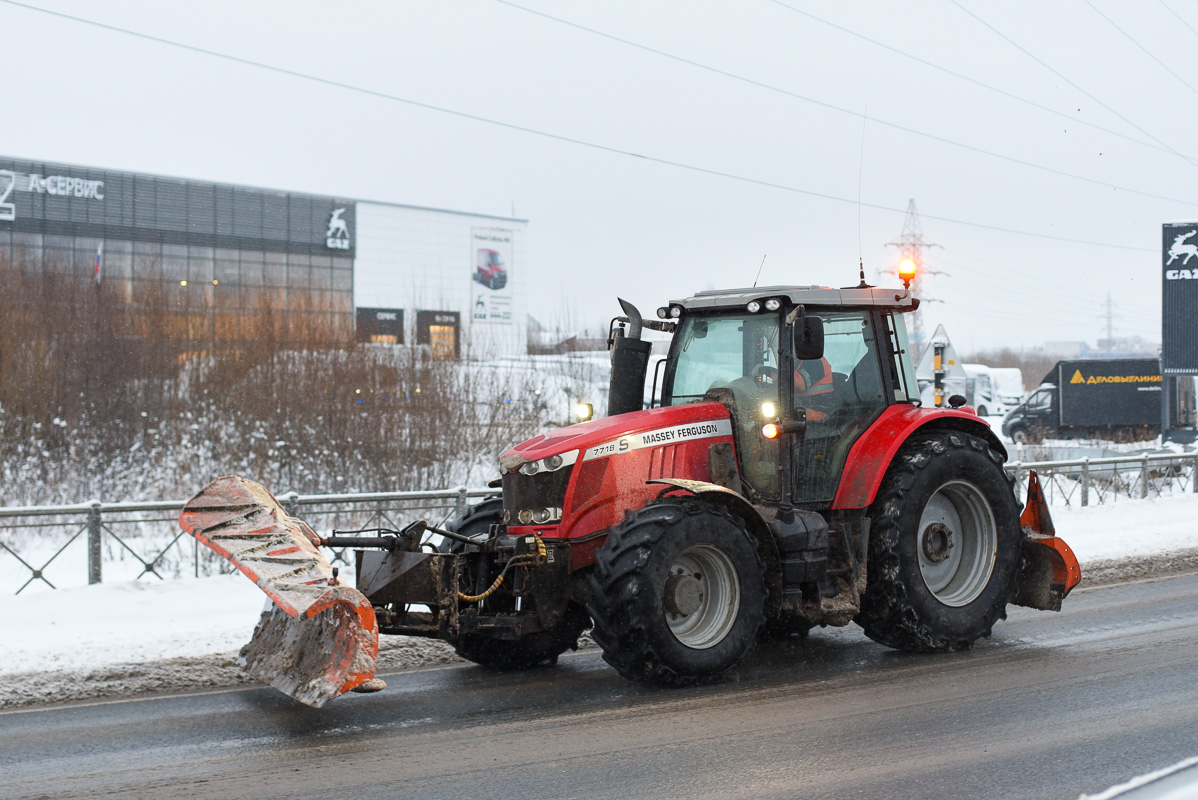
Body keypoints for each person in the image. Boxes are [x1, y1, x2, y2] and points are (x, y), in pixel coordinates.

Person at [795, 357, 833, 422]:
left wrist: (778, 377)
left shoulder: (814, 360)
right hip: (804, 408)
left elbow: (798, 382)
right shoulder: (797, 361)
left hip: (819, 413)